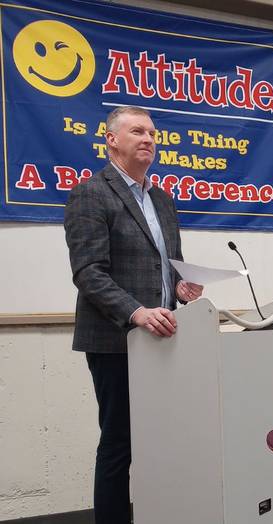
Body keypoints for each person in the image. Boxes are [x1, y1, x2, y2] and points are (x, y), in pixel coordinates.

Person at [64, 106, 203, 523]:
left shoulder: (162, 198)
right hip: (115, 340)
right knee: (119, 443)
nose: (148, 139)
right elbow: (89, 273)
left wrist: (181, 287)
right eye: (138, 131)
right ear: (111, 139)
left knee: (160, 439)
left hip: (164, 337)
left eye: (153, 133)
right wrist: (137, 312)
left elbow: (171, 263)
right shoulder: (91, 192)